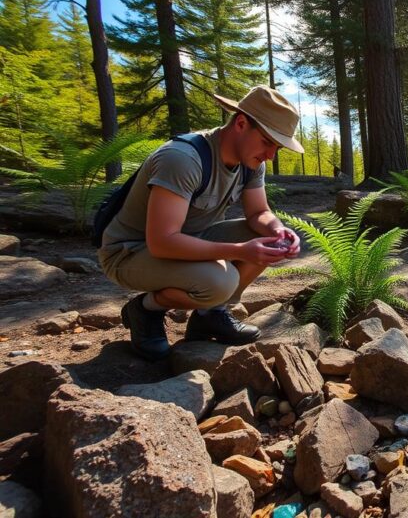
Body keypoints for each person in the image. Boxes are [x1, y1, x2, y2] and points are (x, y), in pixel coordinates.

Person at [97, 86, 305, 361]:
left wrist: (276, 230)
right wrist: (241, 250)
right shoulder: (183, 159)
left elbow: (259, 213)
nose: (271, 155)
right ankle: (145, 309)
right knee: (220, 281)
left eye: (277, 147)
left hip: (189, 238)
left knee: (269, 242)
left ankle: (210, 314)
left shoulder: (251, 161)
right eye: (268, 142)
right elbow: (162, 242)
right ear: (241, 123)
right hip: (130, 252)